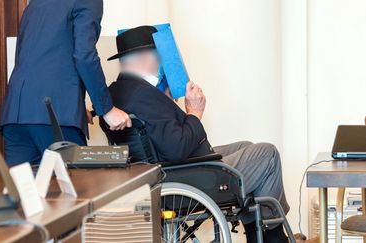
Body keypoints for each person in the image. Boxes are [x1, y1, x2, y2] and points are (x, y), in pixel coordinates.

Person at [100, 26, 290, 243]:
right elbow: (176, 148)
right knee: (268, 153)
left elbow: (159, 134)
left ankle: (257, 231)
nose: (160, 64)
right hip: (184, 174)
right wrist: (195, 113)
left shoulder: (118, 91)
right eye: (158, 57)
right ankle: (272, 234)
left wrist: (167, 102)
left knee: (246, 145)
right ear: (145, 58)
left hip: (162, 170)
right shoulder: (144, 95)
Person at [0, 0, 131, 166]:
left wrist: (75, 103)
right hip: (55, 115)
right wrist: (106, 109)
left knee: (25, 191)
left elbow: (30, 57)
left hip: (16, 113)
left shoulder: (35, 3)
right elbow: (84, 56)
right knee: (77, 188)